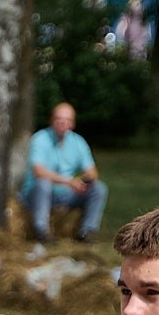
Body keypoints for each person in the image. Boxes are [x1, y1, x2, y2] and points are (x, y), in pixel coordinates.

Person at [21, 103, 108, 242]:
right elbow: (39, 171)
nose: (62, 122)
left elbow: (92, 172)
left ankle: (87, 232)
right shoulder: (40, 139)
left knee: (98, 188)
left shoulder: (78, 142)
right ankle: (42, 231)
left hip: (66, 193)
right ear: (51, 120)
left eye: (67, 119)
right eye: (58, 118)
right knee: (43, 184)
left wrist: (84, 181)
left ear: (72, 124)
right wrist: (69, 181)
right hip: (38, 193)